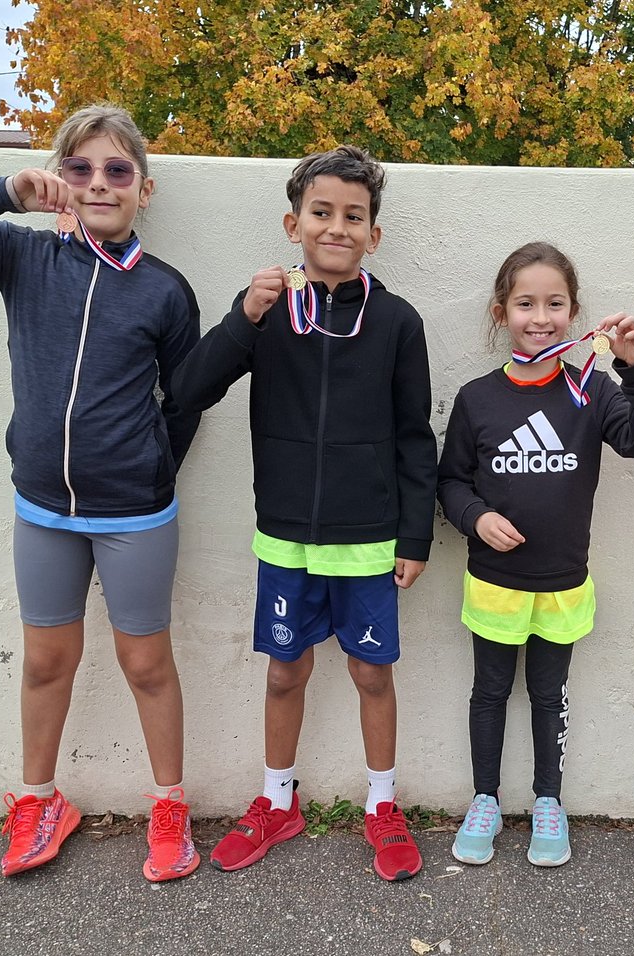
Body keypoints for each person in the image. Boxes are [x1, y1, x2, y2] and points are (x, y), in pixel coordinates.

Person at [0, 105, 202, 883]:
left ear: (144, 190)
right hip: (42, 509)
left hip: (135, 514)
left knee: (146, 664)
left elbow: (186, 400)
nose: (100, 184)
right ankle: (39, 799)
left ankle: (170, 807)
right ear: (62, 179)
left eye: (117, 171)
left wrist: (149, 465)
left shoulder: (166, 291)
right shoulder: (23, 257)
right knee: (45, 662)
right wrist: (3, 189)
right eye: (83, 169)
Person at [170, 145, 437, 882]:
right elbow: (188, 389)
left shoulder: (398, 323)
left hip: (369, 541)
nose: (338, 227)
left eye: (355, 216)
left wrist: (414, 532)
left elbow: (417, 436)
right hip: (285, 535)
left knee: (370, 673)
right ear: (294, 223)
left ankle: (382, 804)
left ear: (374, 234)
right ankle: (276, 800)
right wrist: (241, 317)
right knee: (285, 673)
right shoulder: (267, 311)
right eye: (322, 213)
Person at [437, 242, 634, 867]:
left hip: (563, 581)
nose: (540, 317)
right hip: (494, 581)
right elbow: (450, 480)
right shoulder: (478, 398)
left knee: (548, 696)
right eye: (524, 304)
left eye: (555, 304)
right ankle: (484, 799)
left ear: (573, 312)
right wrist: (476, 517)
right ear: (500, 312)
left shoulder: (593, 391)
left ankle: (548, 801)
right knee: (489, 693)